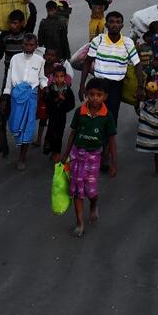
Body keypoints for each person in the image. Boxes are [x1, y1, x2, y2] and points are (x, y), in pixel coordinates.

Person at [63, 78, 117, 237]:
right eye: (91, 94)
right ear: (86, 94)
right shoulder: (79, 112)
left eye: (99, 95)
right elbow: (72, 133)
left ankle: (93, 204)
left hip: (94, 157)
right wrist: (65, 154)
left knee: (90, 191)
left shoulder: (107, 116)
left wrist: (114, 163)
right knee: (76, 190)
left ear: (105, 97)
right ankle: (80, 223)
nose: (94, 98)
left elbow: (112, 140)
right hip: (76, 155)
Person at [78, 11, 143, 133]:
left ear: (122, 25)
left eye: (118, 22)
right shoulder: (98, 40)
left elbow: (137, 65)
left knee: (111, 116)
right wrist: (82, 85)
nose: (114, 25)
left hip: (115, 86)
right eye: (111, 22)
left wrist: (140, 87)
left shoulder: (127, 42)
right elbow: (87, 62)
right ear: (106, 24)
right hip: (98, 84)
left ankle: (107, 142)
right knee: (92, 113)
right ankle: (93, 140)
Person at [3, 34, 47, 170]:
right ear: (22, 45)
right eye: (26, 45)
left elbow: (42, 78)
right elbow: (9, 77)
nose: (28, 47)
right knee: (15, 125)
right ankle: (20, 141)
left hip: (31, 96)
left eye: (31, 45)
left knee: (28, 125)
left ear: (36, 46)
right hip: (16, 96)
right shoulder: (15, 59)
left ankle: (22, 157)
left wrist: (45, 87)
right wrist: (6, 93)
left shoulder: (40, 60)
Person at [0, 0, 38, 90]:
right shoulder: (5, 36)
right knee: (6, 97)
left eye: (15, 23)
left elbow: (33, 14)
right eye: (11, 23)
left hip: (25, 75)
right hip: (9, 75)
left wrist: (29, 2)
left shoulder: (26, 33)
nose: (12, 26)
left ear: (22, 23)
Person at [34, 47, 74, 149]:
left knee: (54, 122)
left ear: (56, 58)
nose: (50, 57)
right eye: (48, 55)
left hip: (54, 98)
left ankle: (52, 146)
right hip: (43, 95)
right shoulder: (41, 65)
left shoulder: (58, 68)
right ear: (44, 56)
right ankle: (39, 139)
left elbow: (67, 80)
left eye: (52, 56)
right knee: (43, 118)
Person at [44, 64, 76, 161]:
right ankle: (51, 150)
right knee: (51, 133)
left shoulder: (68, 90)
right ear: (53, 77)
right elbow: (46, 101)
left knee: (59, 134)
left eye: (61, 76)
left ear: (65, 77)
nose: (59, 79)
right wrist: (56, 99)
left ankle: (57, 153)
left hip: (61, 116)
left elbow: (72, 104)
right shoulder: (50, 88)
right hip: (52, 116)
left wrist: (64, 100)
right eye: (57, 76)